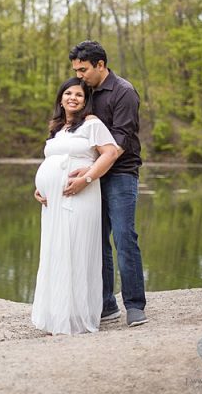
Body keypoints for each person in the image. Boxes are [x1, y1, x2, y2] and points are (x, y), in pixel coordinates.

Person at [66, 40, 148, 327]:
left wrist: (91, 171)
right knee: (95, 240)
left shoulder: (124, 92)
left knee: (125, 238)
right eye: (76, 70)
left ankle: (135, 305)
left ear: (100, 65)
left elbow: (121, 142)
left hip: (121, 174)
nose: (79, 75)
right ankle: (106, 304)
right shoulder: (84, 91)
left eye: (83, 69)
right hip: (92, 174)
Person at [31, 77, 119, 335]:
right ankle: (57, 314)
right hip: (52, 202)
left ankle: (77, 316)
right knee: (55, 250)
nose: (73, 98)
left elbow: (111, 153)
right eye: (68, 93)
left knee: (76, 248)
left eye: (79, 95)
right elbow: (53, 161)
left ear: (85, 100)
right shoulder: (58, 128)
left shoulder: (93, 124)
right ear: (61, 98)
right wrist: (41, 187)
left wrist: (87, 177)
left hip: (80, 195)